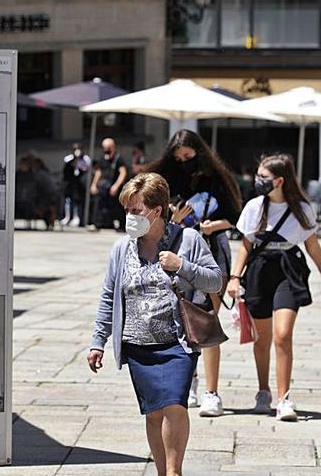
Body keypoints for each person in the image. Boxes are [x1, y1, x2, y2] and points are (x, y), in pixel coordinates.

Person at [87, 173, 222, 476]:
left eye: (136, 211)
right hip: (138, 347)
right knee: (153, 414)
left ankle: (174, 471)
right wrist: (98, 341)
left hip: (177, 344)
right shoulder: (122, 248)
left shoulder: (189, 240)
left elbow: (215, 279)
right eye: (127, 210)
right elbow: (109, 295)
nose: (129, 217)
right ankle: (163, 472)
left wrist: (182, 266)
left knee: (174, 405)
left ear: (157, 210)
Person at [146, 129, 243, 417]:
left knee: (207, 320)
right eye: (177, 158)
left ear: (198, 154)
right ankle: (188, 382)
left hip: (211, 251)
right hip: (176, 250)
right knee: (179, 319)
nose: (183, 163)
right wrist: (171, 221)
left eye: (187, 157)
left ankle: (212, 392)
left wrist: (214, 226)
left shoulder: (216, 179)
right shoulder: (165, 177)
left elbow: (235, 217)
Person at [227, 154, 321, 421]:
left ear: (279, 181)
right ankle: (263, 391)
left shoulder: (302, 207)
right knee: (262, 339)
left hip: (288, 271)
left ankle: (284, 398)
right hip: (259, 271)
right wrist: (235, 278)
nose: (258, 181)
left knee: (282, 334)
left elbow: (312, 246)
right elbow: (246, 245)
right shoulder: (255, 206)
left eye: (263, 177)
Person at [89, 138, 128, 231]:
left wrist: (116, 186)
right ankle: (98, 223)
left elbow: (123, 173)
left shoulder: (119, 159)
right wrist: (94, 184)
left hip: (115, 187)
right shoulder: (103, 158)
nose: (107, 151)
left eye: (109, 149)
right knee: (99, 204)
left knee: (118, 206)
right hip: (104, 186)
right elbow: (99, 172)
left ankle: (121, 225)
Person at [62, 142, 91, 227]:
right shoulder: (68, 158)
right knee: (68, 200)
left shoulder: (85, 159)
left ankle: (77, 217)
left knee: (78, 201)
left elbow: (87, 169)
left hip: (80, 183)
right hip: (71, 183)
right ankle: (67, 216)